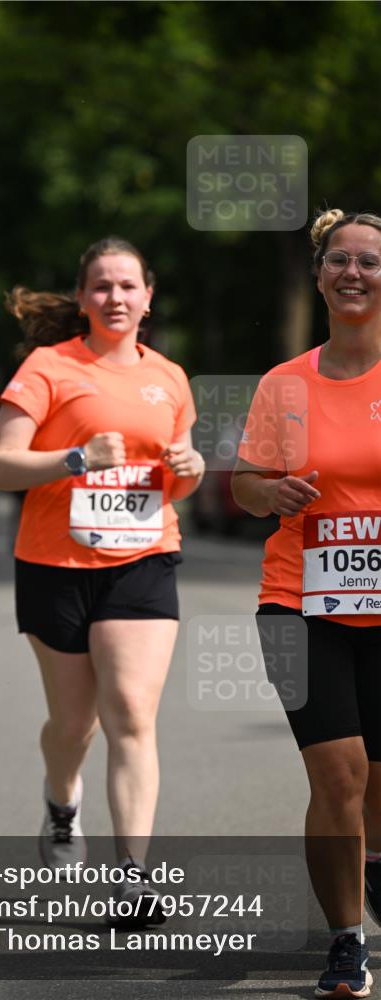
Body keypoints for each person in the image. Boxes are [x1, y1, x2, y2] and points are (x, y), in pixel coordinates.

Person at [0, 236, 204, 924]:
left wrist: (189, 470)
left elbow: (175, 485)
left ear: (148, 297)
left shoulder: (168, 377)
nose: (115, 297)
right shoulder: (47, 367)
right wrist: (74, 457)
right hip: (55, 563)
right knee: (73, 723)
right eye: (101, 286)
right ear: (82, 298)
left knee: (132, 714)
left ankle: (132, 878)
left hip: (143, 558)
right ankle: (60, 796)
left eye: (127, 286)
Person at [232, 209, 381, 999]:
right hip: (299, 599)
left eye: (369, 261)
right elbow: (244, 486)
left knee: (378, 790)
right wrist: (270, 487)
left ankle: (370, 877)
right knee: (338, 776)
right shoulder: (283, 384)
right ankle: (345, 941)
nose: (353, 273)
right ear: (319, 275)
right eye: (339, 261)